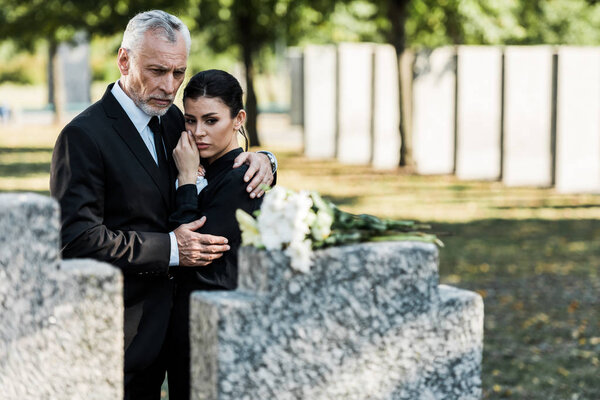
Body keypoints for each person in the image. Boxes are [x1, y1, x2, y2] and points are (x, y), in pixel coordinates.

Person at [49, 10, 275, 400]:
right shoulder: (83, 137)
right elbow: (76, 239)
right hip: (117, 338)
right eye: (156, 71)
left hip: (174, 335)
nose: (168, 86)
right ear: (124, 60)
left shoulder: (175, 121)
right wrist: (172, 248)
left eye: (178, 73)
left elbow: (218, 165)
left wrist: (265, 159)